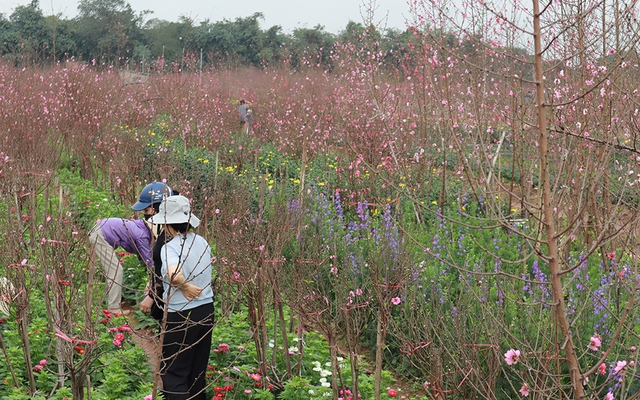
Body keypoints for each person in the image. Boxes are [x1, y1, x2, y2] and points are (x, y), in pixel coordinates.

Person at [150, 195, 214, 400]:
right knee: (197, 374)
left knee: (175, 373)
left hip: (181, 316)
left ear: (167, 224)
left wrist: (184, 285)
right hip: (206, 311)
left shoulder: (170, 247)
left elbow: (173, 274)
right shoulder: (202, 241)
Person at [88, 182, 171, 315]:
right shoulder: (142, 235)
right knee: (116, 271)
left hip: (99, 231)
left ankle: (107, 302)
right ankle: (113, 308)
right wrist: (152, 282)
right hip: (100, 235)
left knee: (112, 270)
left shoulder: (141, 226)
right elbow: (149, 262)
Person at [131, 182, 177, 318]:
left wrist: (152, 295)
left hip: (172, 300)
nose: (146, 216)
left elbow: (170, 271)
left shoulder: (171, 237)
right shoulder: (164, 231)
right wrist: (151, 282)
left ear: (158, 208)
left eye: (147, 211)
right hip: (164, 295)